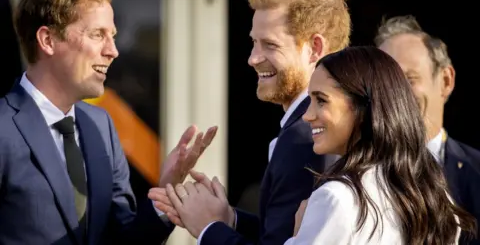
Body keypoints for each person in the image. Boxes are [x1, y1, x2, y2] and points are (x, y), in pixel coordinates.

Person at [167, 46, 477, 244]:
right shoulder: (433, 195)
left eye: (321, 101)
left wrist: (209, 228)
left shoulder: (338, 199)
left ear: (364, 108)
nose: (308, 115)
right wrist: (231, 219)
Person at [0, 0, 217, 244]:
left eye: (112, 36)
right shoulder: (4, 129)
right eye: (97, 34)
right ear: (48, 40)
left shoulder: (100, 125)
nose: (113, 51)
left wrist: (166, 191)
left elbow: (123, 236)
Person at [148, 0, 350, 244]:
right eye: (254, 42)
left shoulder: (305, 136)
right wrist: (230, 219)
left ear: (314, 48)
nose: (253, 58)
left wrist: (208, 228)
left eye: (270, 44)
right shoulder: (328, 127)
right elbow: (280, 235)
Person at [375, 15, 480, 244]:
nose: (395, 94)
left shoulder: (476, 173)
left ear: (445, 80)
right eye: (384, 82)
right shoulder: (350, 170)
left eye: (409, 79)